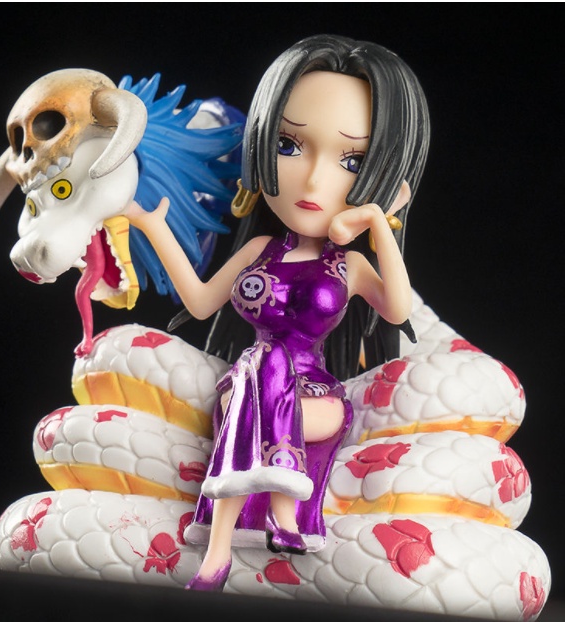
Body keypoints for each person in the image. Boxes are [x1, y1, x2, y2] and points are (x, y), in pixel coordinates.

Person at [125, 34, 430, 591]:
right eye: (289, 145)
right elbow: (199, 301)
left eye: (352, 160)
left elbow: (397, 308)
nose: (313, 181)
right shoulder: (259, 251)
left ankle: (218, 549)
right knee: (257, 369)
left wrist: (377, 223)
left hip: (315, 398)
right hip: (249, 392)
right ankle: (270, 519)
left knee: (258, 371)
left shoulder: (348, 266)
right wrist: (153, 226)